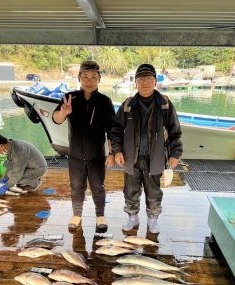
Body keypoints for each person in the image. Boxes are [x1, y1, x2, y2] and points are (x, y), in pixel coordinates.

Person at [111, 64, 183, 234]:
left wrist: (175, 153)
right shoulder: (128, 105)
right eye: (141, 79)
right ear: (135, 82)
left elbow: (175, 131)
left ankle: (153, 218)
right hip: (131, 158)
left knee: (154, 191)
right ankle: (132, 216)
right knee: (130, 189)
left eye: (149, 79)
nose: (145, 83)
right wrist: (117, 150)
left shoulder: (165, 104)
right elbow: (115, 130)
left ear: (155, 82)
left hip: (155, 157)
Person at [52, 60, 115, 230]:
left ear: (99, 79)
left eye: (93, 77)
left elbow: (112, 130)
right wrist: (63, 112)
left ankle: (100, 215)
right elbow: (56, 120)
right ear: (79, 77)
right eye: (85, 76)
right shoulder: (70, 98)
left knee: (98, 187)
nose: (89, 80)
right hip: (76, 155)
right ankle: (77, 215)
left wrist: (112, 152)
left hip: (97, 155)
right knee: (77, 187)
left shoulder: (105, 101)